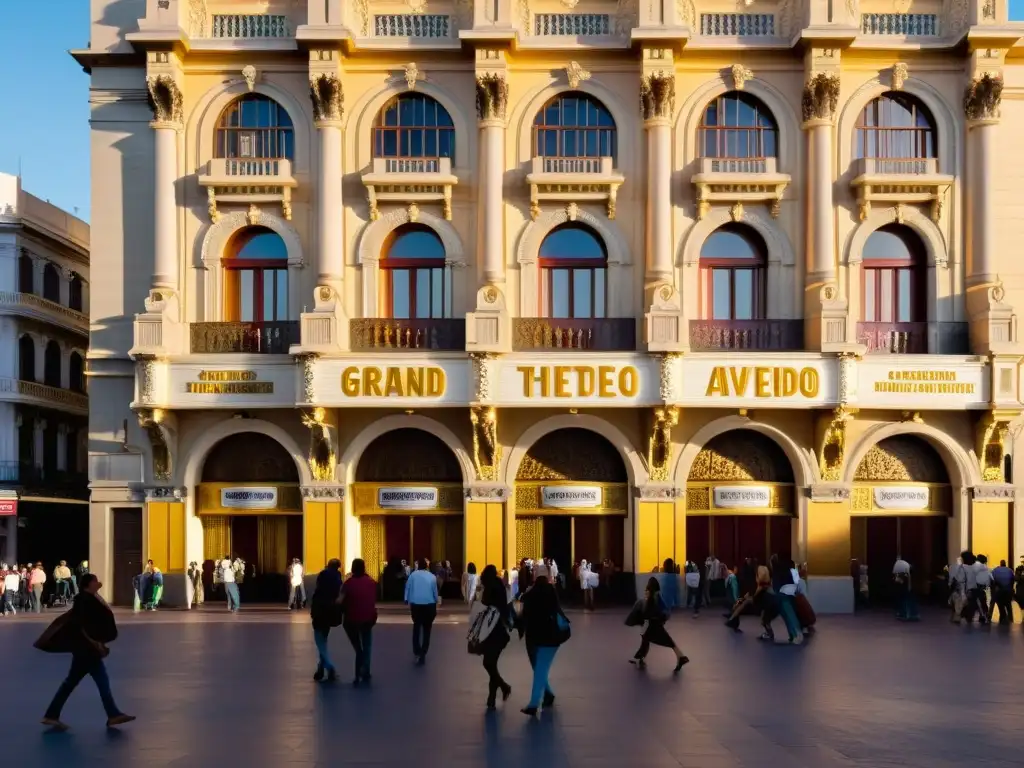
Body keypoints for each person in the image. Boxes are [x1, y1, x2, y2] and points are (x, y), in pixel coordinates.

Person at [40, 574, 135, 730]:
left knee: (72, 682)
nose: (98, 582)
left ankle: (51, 715)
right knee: (100, 681)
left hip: (84, 650)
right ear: (88, 584)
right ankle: (113, 714)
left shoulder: (90, 598)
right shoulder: (84, 600)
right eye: (95, 580)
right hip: (87, 650)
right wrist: (96, 643)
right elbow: (81, 625)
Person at [517, 575, 568, 716]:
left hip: (534, 639)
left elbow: (523, 617)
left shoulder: (529, 597)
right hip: (552, 639)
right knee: (541, 669)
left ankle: (534, 704)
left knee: (539, 669)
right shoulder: (552, 596)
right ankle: (548, 694)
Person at [470, 564, 513, 709]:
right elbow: (505, 606)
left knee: (489, 663)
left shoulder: (490, 588)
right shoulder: (500, 585)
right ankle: (492, 697)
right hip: (499, 631)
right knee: (491, 662)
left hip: (489, 631)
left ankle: (502, 688)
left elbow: (484, 605)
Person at [629, 577, 688, 672]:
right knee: (655, 640)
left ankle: (681, 657)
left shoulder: (651, 596)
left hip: (651, 625)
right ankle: (680, 657)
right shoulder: (658, 596)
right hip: (656, 624)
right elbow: (664, 609)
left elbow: (646, 610)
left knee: (650, 639)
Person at [340, 558, 377, 685]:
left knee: (358, 647)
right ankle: (365, 669)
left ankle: (358, 668)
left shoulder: (348, 583)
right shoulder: (371, 582)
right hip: (368, 618)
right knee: (367, 644)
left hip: (351, 619)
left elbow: (340, 600)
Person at [309, 559, 343, 682]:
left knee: (319, 641)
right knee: (324, 639)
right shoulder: (338, 577)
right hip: (331, 611)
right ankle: (321, 669)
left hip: (319, 610)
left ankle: (329, 666)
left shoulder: (323, 575)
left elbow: (317, 591)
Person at [405, 558, 439, 665]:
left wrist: (406, 599)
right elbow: (435, 591)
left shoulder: (413, 575)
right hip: (429, 605)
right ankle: (424, 651)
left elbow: (408, 588)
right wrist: (436, 600)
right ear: (427, 566)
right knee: (427, 629)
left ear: (418, 565)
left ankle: (417, 650)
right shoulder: (432, 577)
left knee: (416, 627)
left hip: (416, 605)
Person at [990, 559, 1014, 625]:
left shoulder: (995, 570)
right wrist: (1011, 589)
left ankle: (1003, 617)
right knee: (1008, 605)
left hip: (999, 591)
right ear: (1005, 564)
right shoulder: (1010, 570)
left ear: (1000, 564)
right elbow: (1012, 580)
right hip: (1008, 590)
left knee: (1000, 604)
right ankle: (1010, 619)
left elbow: (992, 580)